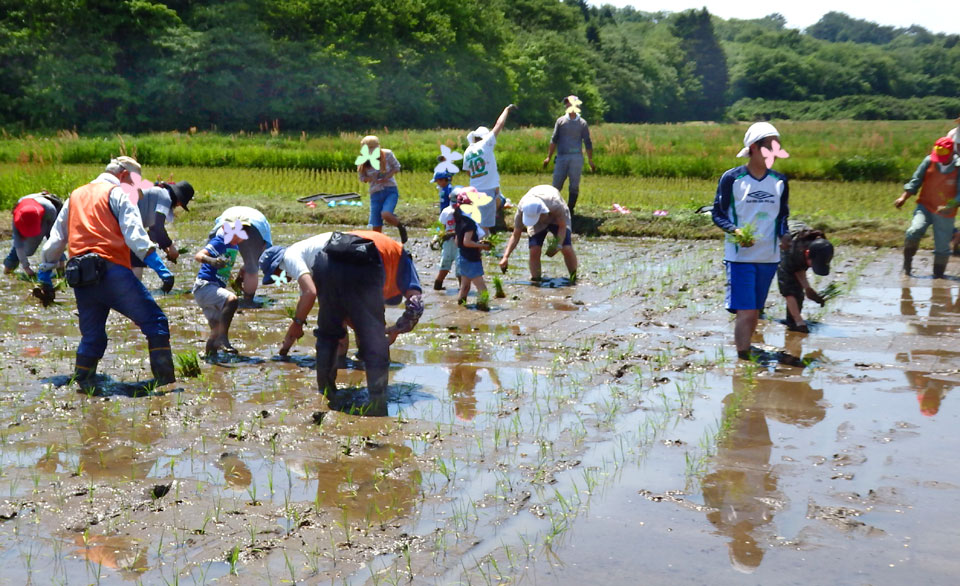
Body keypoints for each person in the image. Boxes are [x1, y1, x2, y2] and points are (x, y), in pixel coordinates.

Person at [36, 156, 177, 388]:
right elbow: (134, 234)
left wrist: (45, 275)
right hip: (112, 274)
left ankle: (83, 382)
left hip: (80, 276)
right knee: (156, 321)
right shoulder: (117, 193)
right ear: (123, 176)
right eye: (133, 183)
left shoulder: (75, 195)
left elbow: (55, 241)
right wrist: (160, 267)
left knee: (93, 337)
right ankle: (166, 384)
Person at [260, 230, 423, 407]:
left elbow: (321, 299)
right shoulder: (396, 255)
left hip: (330, 263)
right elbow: (416, 304)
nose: (281, 279)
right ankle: (378, 401)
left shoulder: (296, 256)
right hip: (363, 262)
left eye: (277, 275)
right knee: (373, 337)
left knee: (328, 333)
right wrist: (394, 330)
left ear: (277, 266)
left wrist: (289, 341)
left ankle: (326, 393)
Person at [711, 122, 790, 361]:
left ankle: (747, 354)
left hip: (769, 257)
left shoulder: (780, 181)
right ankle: (744, 360)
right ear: (754, 147)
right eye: (770, 146)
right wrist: (734, 230)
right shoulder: (733, 178)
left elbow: (783, 215)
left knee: (755, 311)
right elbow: (718, 213)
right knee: (746, 312)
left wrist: (784, 234)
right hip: (740, 257)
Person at [895, 136, 960, 277]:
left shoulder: (958, 167)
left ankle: (938, 276)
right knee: (914, 230)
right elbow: (915, 181)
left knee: (942, 248)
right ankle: (907, 267)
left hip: (945, 212)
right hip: (925, 206)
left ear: (951, 153)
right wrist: (903, 197)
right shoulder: (929, 161)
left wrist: (951, 205)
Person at [499, 185, 577, 281]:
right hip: (538, 206)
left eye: (535, 218)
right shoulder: (522, 209)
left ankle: (573, 277)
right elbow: (515, 235)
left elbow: (562, 227)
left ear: (543, 213)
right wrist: (505, 257)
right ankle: (536, 280)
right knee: (534, 250)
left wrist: (558, 246)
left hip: (556, 217)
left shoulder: (555, 204)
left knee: (566, 248)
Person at [463, 104, 516, 232]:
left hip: (473, 190)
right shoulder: (486, 144)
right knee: (485, 228)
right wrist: (506, 110)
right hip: (487, 192)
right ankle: (483, 249)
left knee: (475, 221)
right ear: (485, 137)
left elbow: (468, 173)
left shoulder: (467, 151)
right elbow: (499, 125)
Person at [192, 225, 243, 356]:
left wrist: (234, 285)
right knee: (231, 300)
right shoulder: (220, 241)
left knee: (215, 330)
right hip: (205, 286)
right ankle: (223, 339)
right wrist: (212, 261)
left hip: (212, 288)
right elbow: (198, 255)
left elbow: (226, 270)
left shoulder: (234, 247)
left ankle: (211, 361)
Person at [542, 95, 596, 214]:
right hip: (561, 157)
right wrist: (548, 157)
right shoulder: (560, 121)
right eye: (566, 103)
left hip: (576, 158)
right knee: (556, 185)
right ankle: (552, 209)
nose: (568, 105)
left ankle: (570, 210)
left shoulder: (582, 123)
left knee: (574, 185)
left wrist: (590, 160)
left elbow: (587, 142)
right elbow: (554, 140)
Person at [777, 221, 834, 333]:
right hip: (779, 239)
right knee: (793, 290)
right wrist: (799, 322)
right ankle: (758, 310)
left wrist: (808, 289)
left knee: (799, 292)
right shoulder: (791, 251)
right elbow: (788, 291)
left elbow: (800, 267)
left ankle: (793, 321)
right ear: (807, 253)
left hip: (798, 242)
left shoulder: (821, 247)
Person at [131, 180, 194, 279]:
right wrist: (171, 246)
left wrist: (166, 249)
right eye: (180, 205)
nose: (177, 206)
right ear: (179, 200)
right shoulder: (165, 198)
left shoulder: (159, 193)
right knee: (137, 260)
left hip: (123, 224)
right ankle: (135, 292)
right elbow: (157, 227)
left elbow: (153, 231)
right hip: (126, 225)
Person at [211, 206, 272, 307]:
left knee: (216, 261)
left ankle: (214, 296)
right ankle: (248, 302)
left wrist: (232, 279)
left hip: (233, 220)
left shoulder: (220, 231)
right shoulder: (259, 229)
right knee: (252, 268)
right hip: (254, 225)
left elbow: (214, 261)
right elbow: (258, 258)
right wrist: (249, 266)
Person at [357, 135, 408, 243]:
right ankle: (378, 246)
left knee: (386, 214)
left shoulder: (387, 154)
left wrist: (387, 176)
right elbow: (362, 177)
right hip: (375, 193)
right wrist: (371, 178)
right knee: (376, 225)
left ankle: (400, 227)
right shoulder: (363, 160)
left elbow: (396, 167)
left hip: (390, 190)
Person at [4, 191, 63, 277]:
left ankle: (61, 270)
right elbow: (18, 244)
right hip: (27, 205)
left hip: (48, 211)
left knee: (53, 238)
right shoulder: (17, 216)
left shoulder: (50, 210)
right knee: (20, 243)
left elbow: (56, 237)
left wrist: (61, 261)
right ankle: (8, 270)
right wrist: (26, 268)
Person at [453, 190, 492, 305]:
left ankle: (460, 307)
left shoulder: (459, 220)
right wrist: (482, 246)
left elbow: (457, 242)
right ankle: (483, 308)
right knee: (482, 289)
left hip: (462, 257)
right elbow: (467, 242)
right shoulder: (469, 223)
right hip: (471, 259)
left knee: (465, 287)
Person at [433, 179, 460, 290]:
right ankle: (437, 287)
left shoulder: (468, 212)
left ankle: (462, 290)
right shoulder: (446, 212)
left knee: (460, 269)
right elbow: (439, 226)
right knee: (444, 267)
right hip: (448, 243)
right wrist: (436, 238)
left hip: (461, 244)